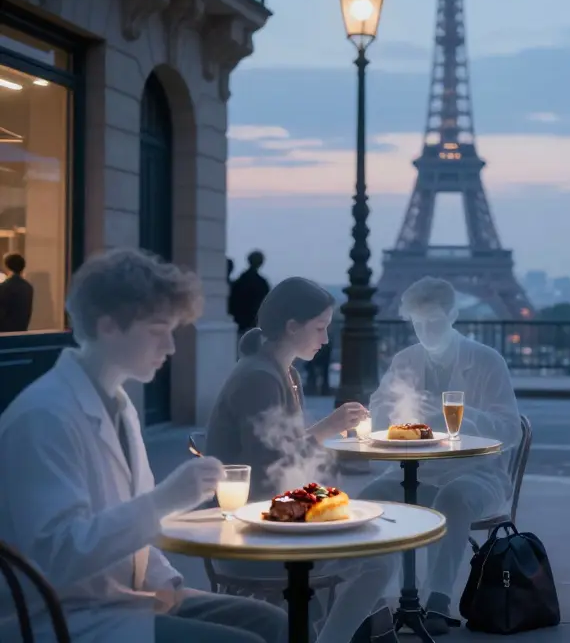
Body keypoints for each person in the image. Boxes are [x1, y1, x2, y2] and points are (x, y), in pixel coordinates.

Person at [0, 248, 286, 643]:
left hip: (117, 601)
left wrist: (163, 578)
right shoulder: (44, 418)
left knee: (273, 622)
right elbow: (59, 557)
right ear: (107, 327)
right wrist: (168, 498)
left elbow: (127, 525)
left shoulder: (119, 406)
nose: (170, 347)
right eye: (157, 331)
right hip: (62, 617)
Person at [203, 276, 398, 643]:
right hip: (253, 533)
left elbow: (285, 461)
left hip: (275, 520)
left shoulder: (282, 372)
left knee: (372, 540)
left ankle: (322, 631)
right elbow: (269, 465)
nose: (326, 340)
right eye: (320, 328)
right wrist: (328, 429)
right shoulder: (259, 378)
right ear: (292, 327)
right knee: (377, 559)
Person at [361, 276, 523, 637]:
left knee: (454, 496)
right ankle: (369, 600)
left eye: (433, 322)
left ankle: (437, 599)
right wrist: (395, 412)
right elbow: (377, 410)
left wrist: (457, 414)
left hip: (480, 475)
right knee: (366, 501)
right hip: (417, 475)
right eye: (417, 323)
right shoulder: (405, 361)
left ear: (453, 316)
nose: (425, 331)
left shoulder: (486, 360)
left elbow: (511, 430)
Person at [229, 250, 270, 336]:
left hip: (239, 324)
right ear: (261, 263)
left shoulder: (239, 281)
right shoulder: (262, 283)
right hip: (253, 324)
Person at [0, 252, 34, 333]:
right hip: (21, 332)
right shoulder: (28, 287)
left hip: (5, 335)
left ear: (6, 266)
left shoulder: (4, 287)